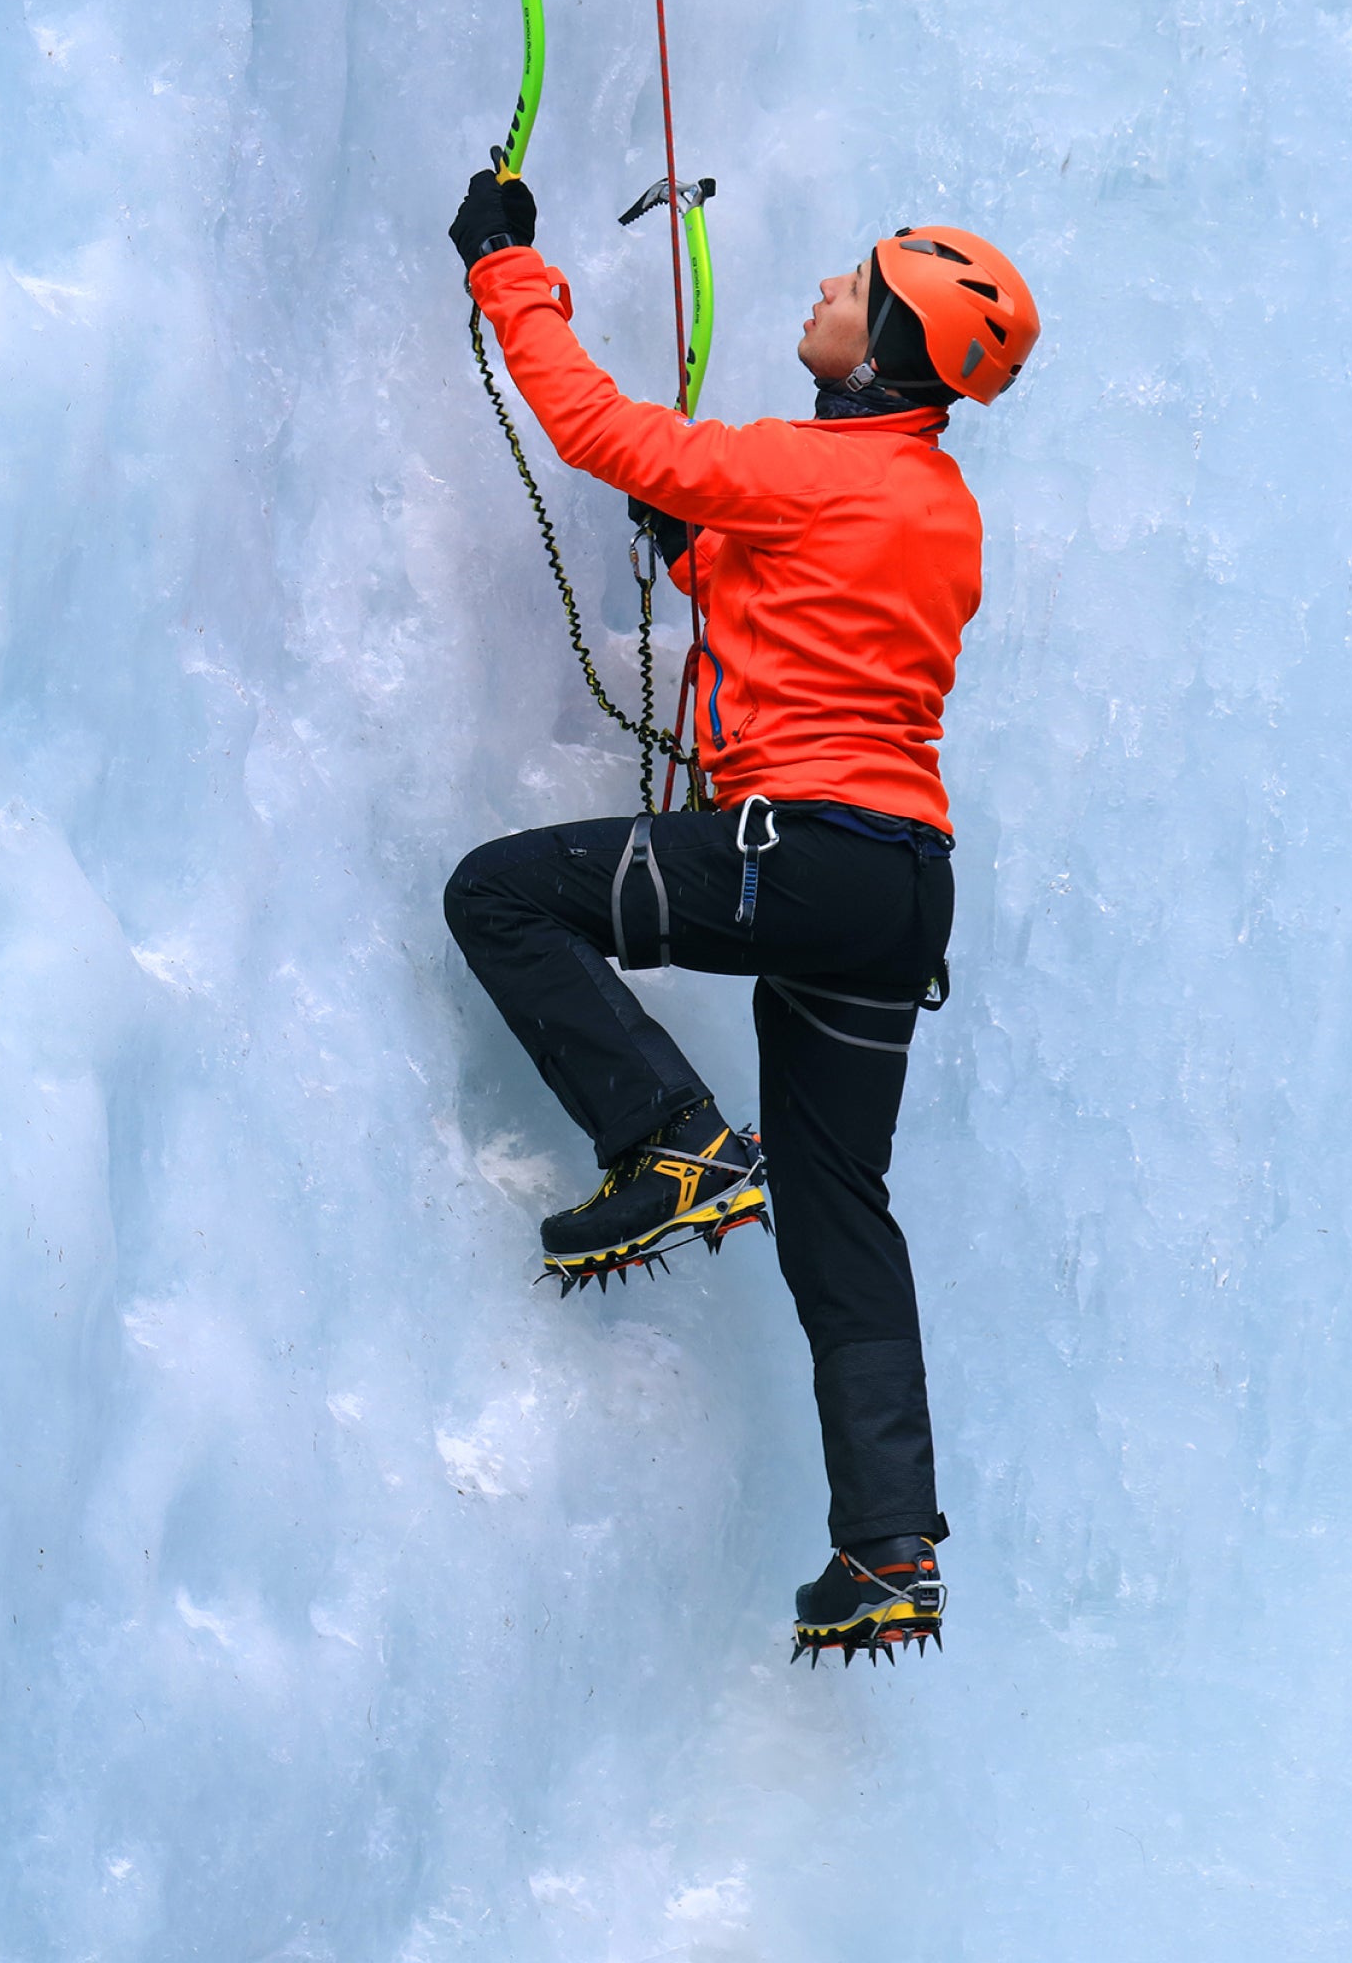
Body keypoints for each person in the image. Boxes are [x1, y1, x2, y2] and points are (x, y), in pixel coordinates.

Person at [441, 166, 1037, 1662]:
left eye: (855, 288)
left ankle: (675, 1139)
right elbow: (822, 597)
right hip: (899, 892)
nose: (826, 294)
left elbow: (596, 430)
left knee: (501, 894)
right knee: (841, 1213)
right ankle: (888, 1549)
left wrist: (510, 269)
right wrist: (700, 546)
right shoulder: (938, 506)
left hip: (802, 851)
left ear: (890, 348)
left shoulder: (811, 467)